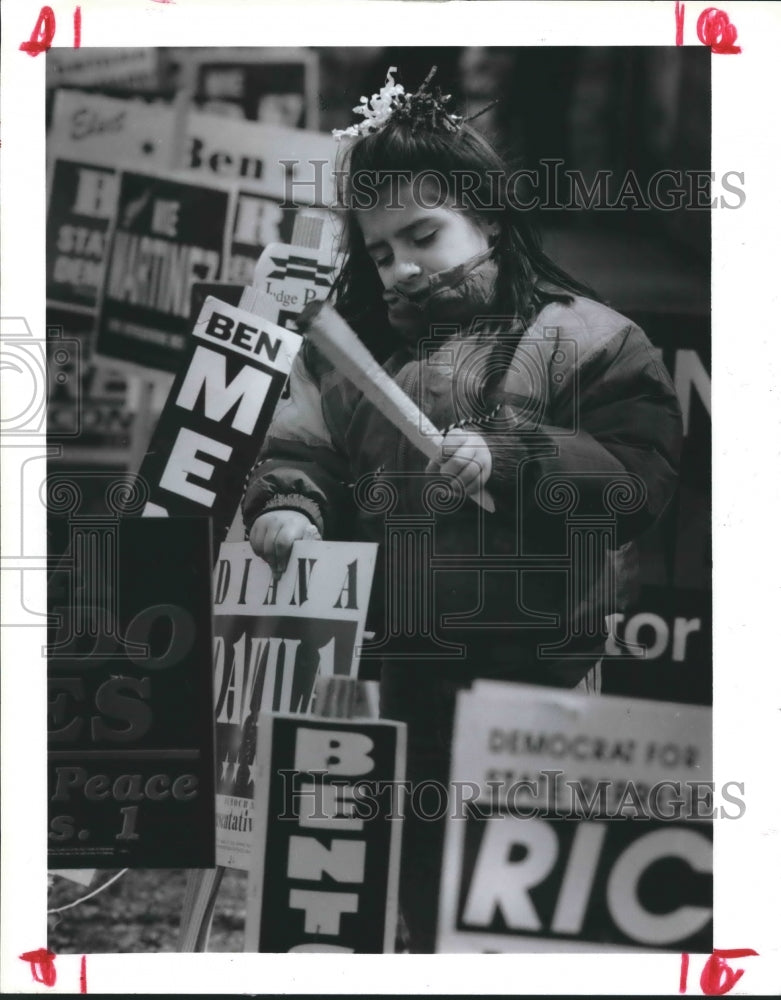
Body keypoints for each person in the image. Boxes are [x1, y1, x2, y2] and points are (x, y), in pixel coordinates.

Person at [242, 67, 683, 952]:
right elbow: (302, 452)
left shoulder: (591, 340)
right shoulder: (353, 360)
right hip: (390, 670)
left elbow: (640, 478)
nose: (401, 267)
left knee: (518, 898)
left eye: (422, 235)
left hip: (540, 679)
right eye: (379, 253)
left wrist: (515, 456)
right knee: (404, 872)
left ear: (487, 215)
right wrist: (290, 507)